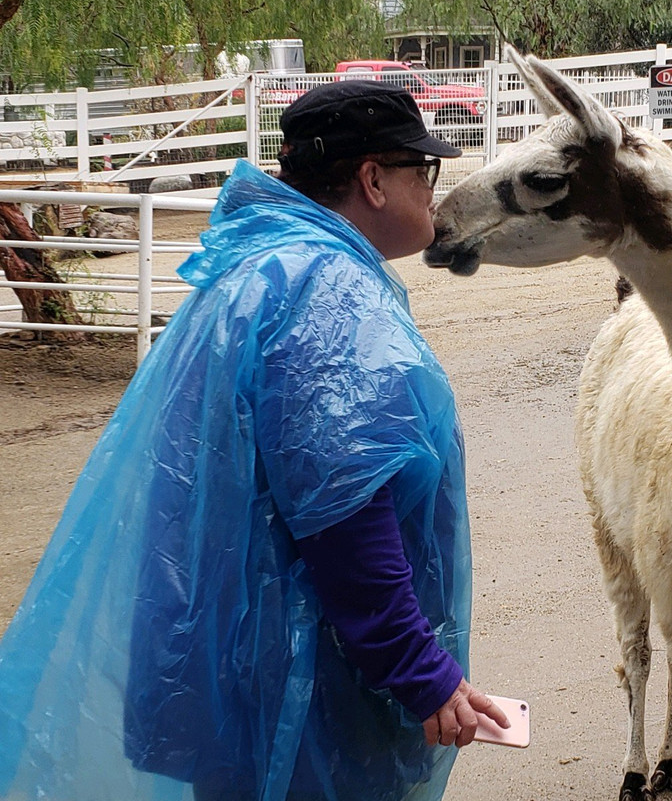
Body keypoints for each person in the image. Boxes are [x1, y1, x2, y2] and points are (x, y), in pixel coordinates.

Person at [0, 79, 507, 801]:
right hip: (296, 682)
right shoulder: (324, 292)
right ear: (372, 180)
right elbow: (344, 510)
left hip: (229, 657)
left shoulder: (260, 269)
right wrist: (421, 673)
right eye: (419, 169)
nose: (432, 188)